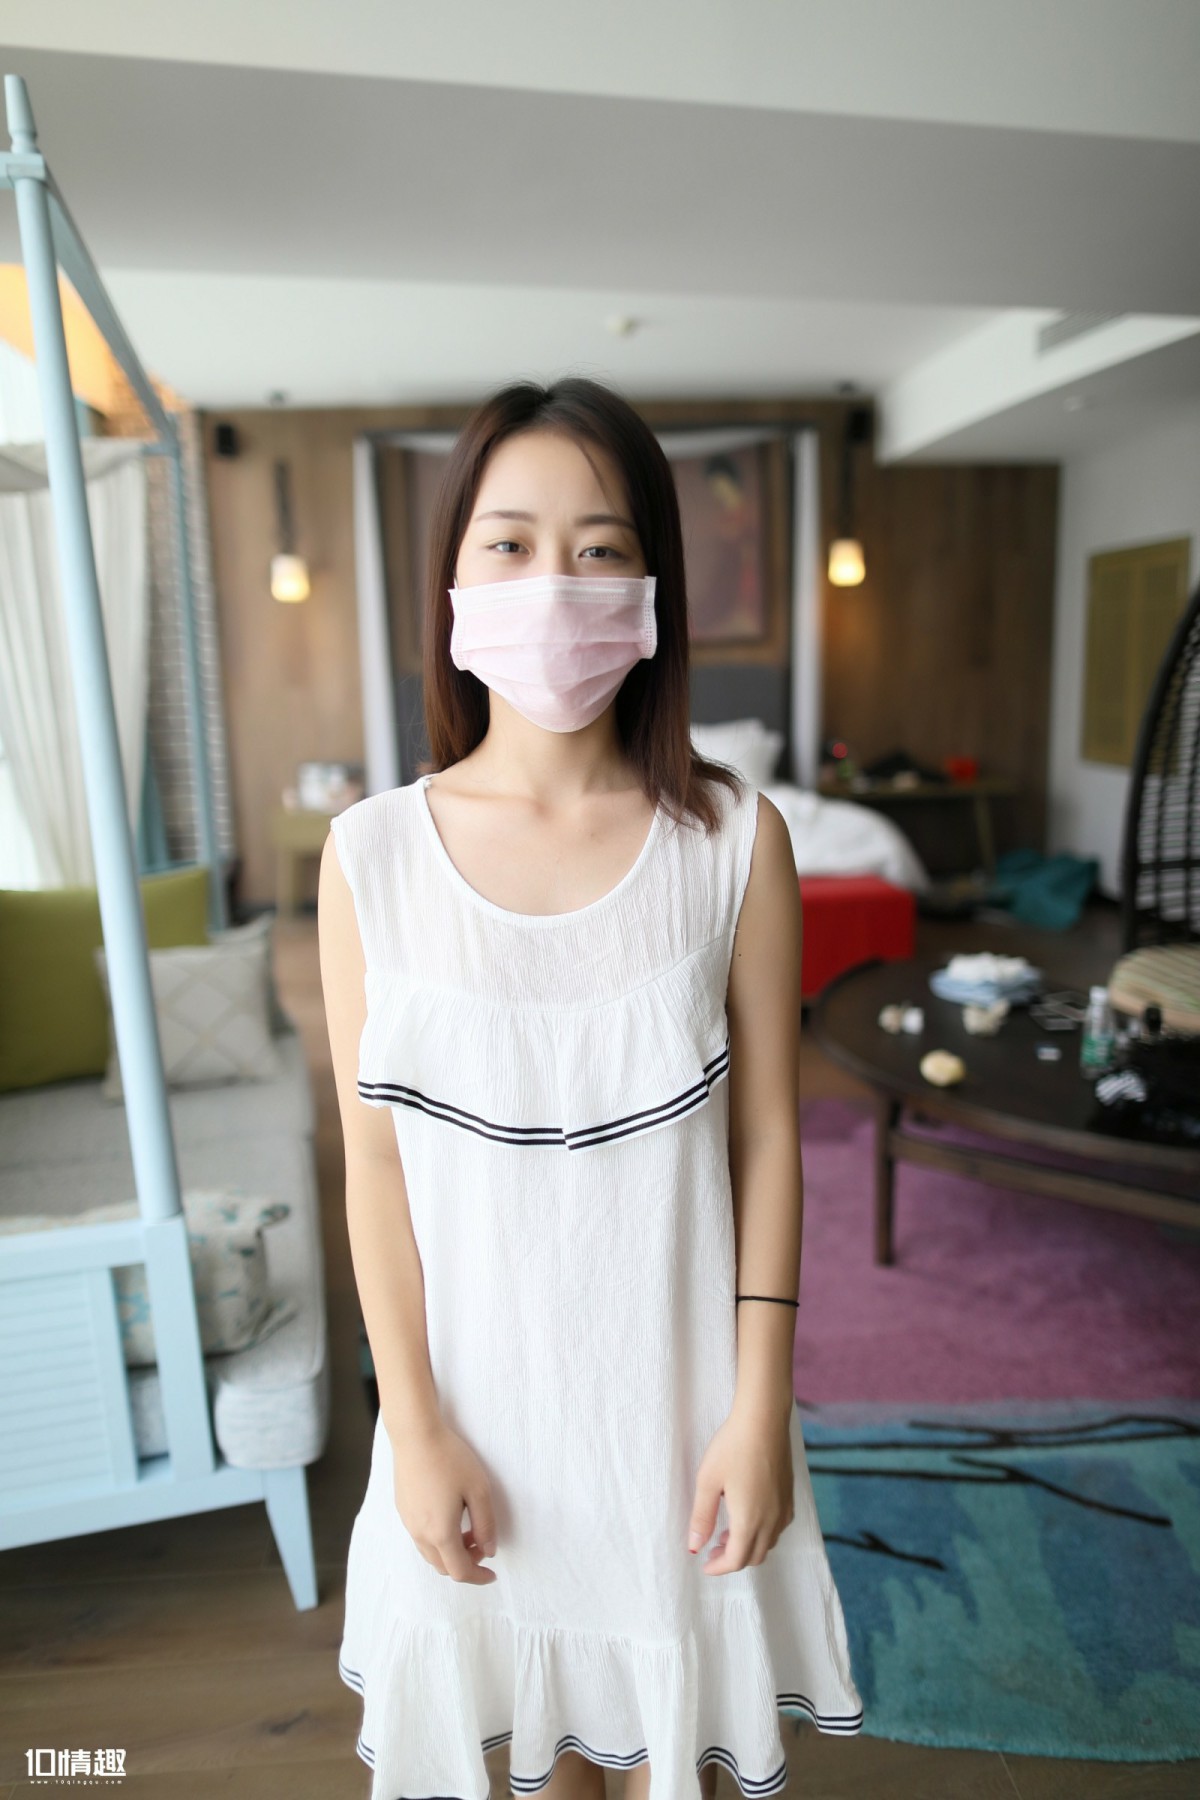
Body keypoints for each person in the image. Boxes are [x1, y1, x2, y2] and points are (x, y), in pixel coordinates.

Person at [319, 377, 862, 1800]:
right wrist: (412, 1426)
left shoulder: (736, 839)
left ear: (654, 588)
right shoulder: (372, 857)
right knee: (536, 1756)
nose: (554, 584)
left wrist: (759, 1406)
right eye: (509, 543)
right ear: (453, 580)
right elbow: (374, 1166)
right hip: (474, 1416)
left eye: (601, 547)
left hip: (678, 1418)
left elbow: (767, 1139)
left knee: (676, 1751)